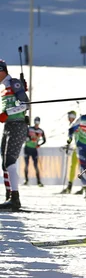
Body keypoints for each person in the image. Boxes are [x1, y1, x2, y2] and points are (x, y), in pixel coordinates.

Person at [0, 59, 30, 211]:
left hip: (18, 125)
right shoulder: (3, 87)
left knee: (10, 160)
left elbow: (25, 104)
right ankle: (8, 196)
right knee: (4, 163)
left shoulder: (14, 83)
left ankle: (14, 198)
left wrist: (6, 113)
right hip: (8, 126)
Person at [60, 110, 80, 194]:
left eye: (70, 116)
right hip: (76, 147)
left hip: (83, 148)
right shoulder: (72, 125)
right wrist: (68, 142)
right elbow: (71, 136)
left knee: (82, 167)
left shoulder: (78, 124)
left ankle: (84, 188)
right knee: (72, 166)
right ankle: (69, 186)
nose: (69, 118)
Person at [24, 117, 46, 187]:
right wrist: (30, 138)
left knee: (36, 165)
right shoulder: (30, 129)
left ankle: (38, 181)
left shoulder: (41, 131)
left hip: (34, 149)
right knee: (26, 164)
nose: (36, 123)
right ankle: (26, 180)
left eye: (38, 122)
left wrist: (39, 144)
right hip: (27, 148)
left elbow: (44, 140)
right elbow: (24, 136)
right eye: (36, 122)